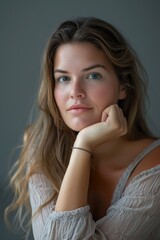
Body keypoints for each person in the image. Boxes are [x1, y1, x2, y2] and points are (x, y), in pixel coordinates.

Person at [5, 17, 160, 240]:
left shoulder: (154, 168)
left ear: (123, 87)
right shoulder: (41, 145)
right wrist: (84, 145)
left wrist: (82, 144)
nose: (75, 91)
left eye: (93, 75)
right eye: (63, 78)